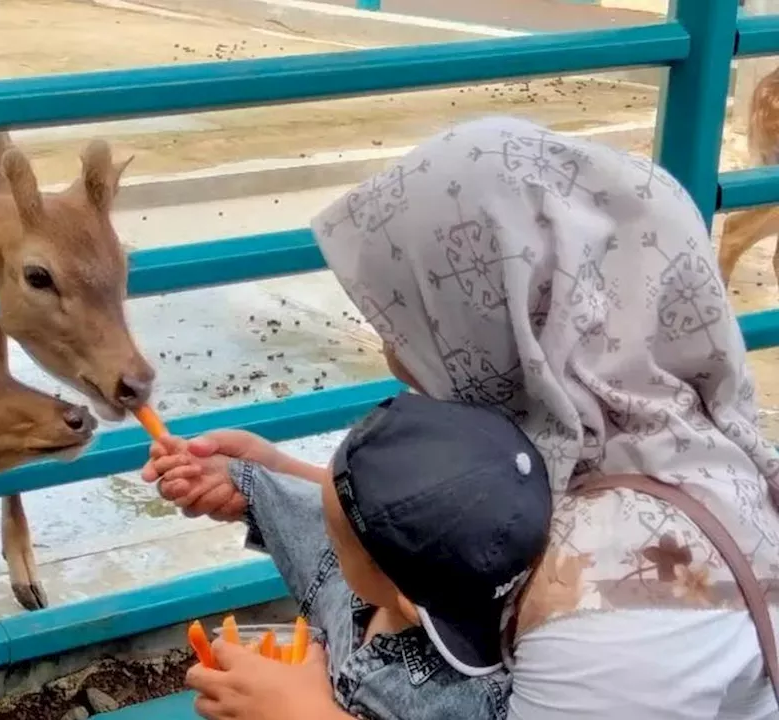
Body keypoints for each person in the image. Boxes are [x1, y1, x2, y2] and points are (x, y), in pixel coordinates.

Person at [148, 115, 779, 719]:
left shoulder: (623, 607)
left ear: (512, 326)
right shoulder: (629, 437)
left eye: (416, 322)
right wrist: (273, 475)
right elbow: (446, 534)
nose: (395, 358)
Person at [146, 391, 551, 720]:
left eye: (336, 541)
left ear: (407, 602)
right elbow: (319, 514)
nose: (322, 535)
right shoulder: (381, 574)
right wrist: (243, 477)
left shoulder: (468, 702)